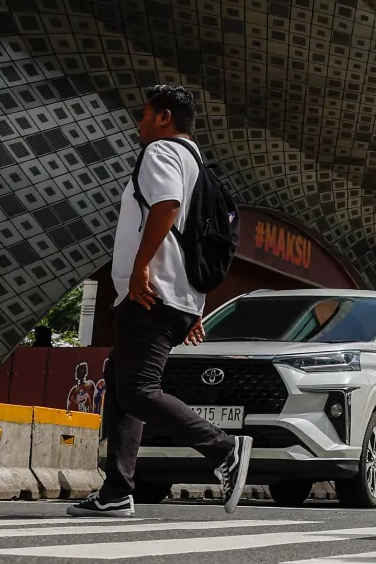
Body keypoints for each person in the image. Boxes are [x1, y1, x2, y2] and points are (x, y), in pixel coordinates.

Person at [69, 85, 251, 518]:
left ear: (164, 117)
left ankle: (223, 450)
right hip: (177, 295)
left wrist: (140, 266)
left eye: (145, 114)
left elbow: (166, 207)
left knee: (137, 388)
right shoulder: (198, 165)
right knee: (120, 381)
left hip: (151, 292)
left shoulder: (162, 153)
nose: (139, 123)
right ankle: (116, 490)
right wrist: (192, 305)